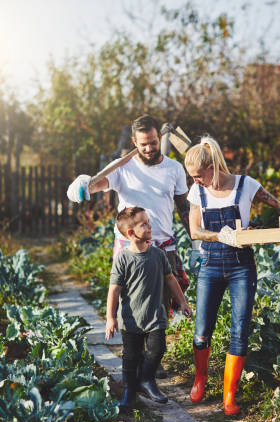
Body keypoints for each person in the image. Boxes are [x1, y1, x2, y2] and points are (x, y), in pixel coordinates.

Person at [184, 136, 280, 416]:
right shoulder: (197, 193)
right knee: (202, 330)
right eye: (193, 177)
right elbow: (195, 232)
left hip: (241, 266)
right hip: (211, 265)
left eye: (199, 175)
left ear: (213, 166)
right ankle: (200, 378)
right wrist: (221, 235)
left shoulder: (245, 185)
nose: (196, 181)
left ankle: (229, 396)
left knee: (239, 330)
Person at [67, 114, 191, 317]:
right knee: (131, 306)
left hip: (162, 245)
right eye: (143, 144)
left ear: (159, 137)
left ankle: (156, 348)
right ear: (134, 141)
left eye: (153, 142)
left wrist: (197, 243)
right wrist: (84, 182)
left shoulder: (174, 168)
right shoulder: (121, 167)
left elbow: (183, 208)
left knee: (161, 308)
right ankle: (132, 348)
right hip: (129, 247)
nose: (149, 148)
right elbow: (100, 183)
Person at [105, 206, 192, 412]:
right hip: (131, 318)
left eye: (148, 221)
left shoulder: (158, 254)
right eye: (143, 223)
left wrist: (182, 302)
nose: (149, 225)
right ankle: (129, 391)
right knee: (130, 356)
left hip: (155, 315)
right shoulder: (123, 258)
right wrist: (110, 317)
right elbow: (114, 290)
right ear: (131, 233)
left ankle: (146, 379)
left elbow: (170, 279)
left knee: (157, 349)